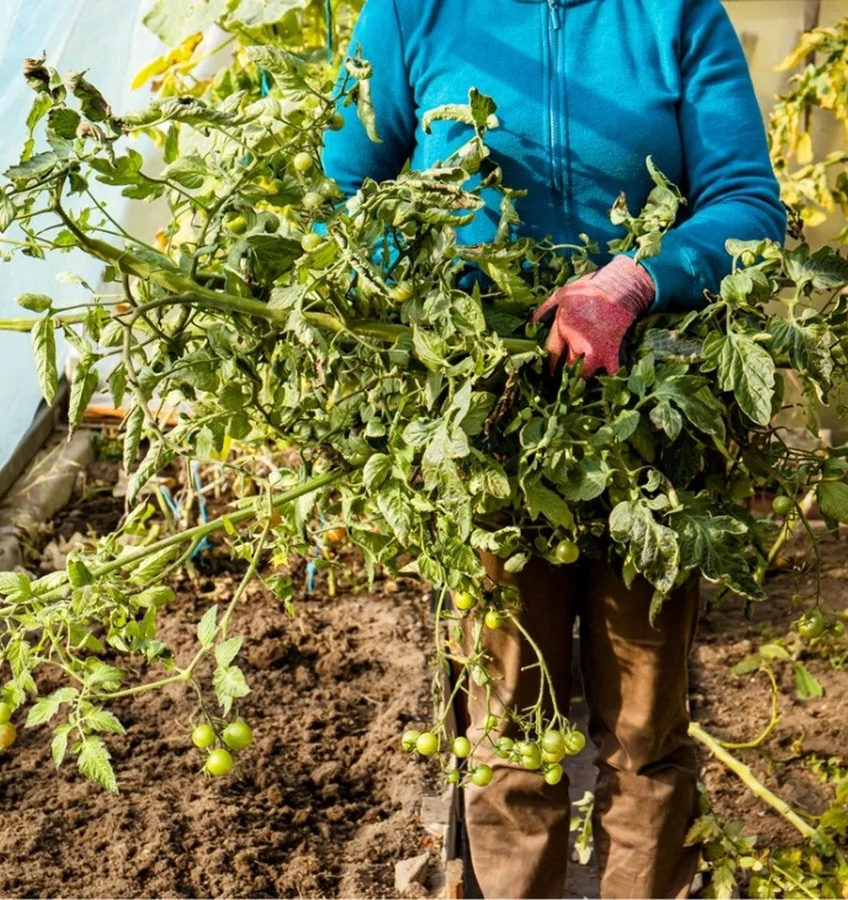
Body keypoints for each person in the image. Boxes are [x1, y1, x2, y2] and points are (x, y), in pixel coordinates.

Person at [323, 1, 786, 896]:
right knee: (508, 733)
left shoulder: (676, 13)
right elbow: (340, 197)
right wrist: (440, 292)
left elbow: (746, 203)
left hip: (649, 432)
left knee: (645, 734)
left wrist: (634, 280)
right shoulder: (411, 12)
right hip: (487, 437)